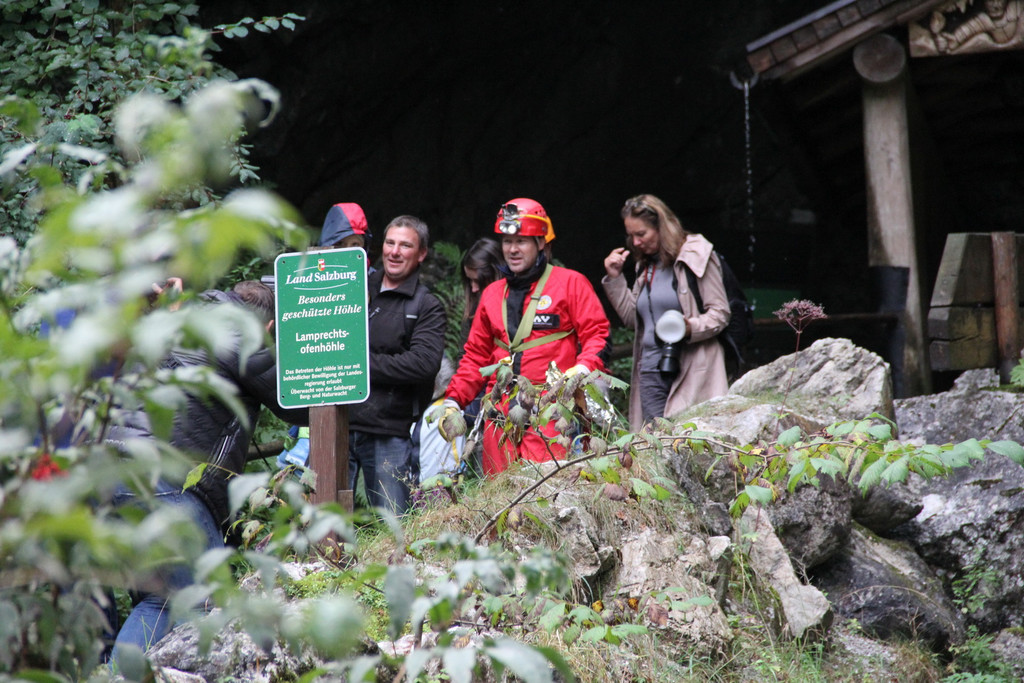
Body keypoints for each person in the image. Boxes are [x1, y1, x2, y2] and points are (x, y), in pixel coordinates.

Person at [112, 280, 308, 665]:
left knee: (160, 598)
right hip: (163, 479)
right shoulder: (240, 336)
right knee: (202, 595)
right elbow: (301, 400)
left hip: (112, 472)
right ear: (269, 326)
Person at [437, 198, 610, 475]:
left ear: (540, 242)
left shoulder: (570, 284)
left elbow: (598, 336)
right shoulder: (492, 295)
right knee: (500, 495)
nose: (513, 249)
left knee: (548, 490)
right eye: (507, 241)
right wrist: (453, 400)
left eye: (522, 241)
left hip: (551, 414)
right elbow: (475, 356)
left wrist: (582, 368)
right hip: (499, 417)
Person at [602, 194, 730, 430]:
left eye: (641, 234)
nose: (635, 242)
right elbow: (633, 319)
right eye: (631, 236)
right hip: (651, 368)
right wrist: (615, 278)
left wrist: (689, 328)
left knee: (687, 440)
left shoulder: (696, 255)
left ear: (661, 226)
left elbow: (720, 313)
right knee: (655, 442)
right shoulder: (645, 265)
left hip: (692, 367)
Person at [347, 215, 446, 513]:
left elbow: (423, 364)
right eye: (390, 243)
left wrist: (358, 365)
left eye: (405, 245)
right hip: (337, 422)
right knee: (323, 523)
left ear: (421, 253)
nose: (394, 252)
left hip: (388, 429)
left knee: (394, 524)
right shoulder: (354, 288)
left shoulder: (426, 305)